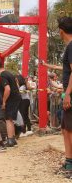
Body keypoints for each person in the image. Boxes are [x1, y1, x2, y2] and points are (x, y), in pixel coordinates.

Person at [0, 59, 21, 147]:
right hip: (16, 97)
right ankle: (12, 139)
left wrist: (4, 101)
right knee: (10, 119)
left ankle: (10, 140)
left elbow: (7, 89)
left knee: (8, 119)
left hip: (11, 99)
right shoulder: (8, 73)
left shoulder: (3, 75)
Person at [57, 16, 72, 178]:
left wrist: (67, 93)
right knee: (65, 129)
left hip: (70, 93)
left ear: (61, 31)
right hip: (68, 92)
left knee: (70, 130)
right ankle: (69, 162)